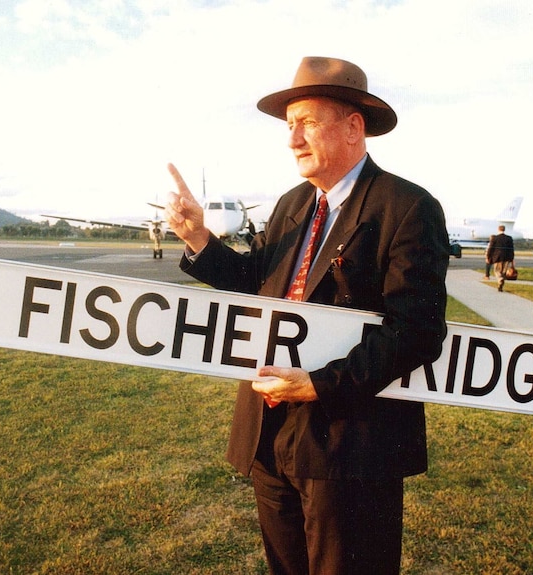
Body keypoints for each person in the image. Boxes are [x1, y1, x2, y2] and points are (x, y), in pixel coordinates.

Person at [165, 56, 449, 575]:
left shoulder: (406, 207)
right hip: (270, 431)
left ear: (353, 128)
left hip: (351, 443)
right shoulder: (294, 202)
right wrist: (199, 240)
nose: (292, 138)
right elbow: (259, 279)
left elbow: (417, 331)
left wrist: (319, 383)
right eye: (289, 125)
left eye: (308, 123)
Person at [486, 224, 515, 292]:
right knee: (504, 271)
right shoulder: (509, 238)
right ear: (504, 230)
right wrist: (512, 258)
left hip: (497, 257)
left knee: (497, 270)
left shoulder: (495, 238)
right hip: (507, 257)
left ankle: (500, 280)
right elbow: (511, 249)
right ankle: (500, 284)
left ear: (498, 229)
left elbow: (491, 248)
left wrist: (488, 256)